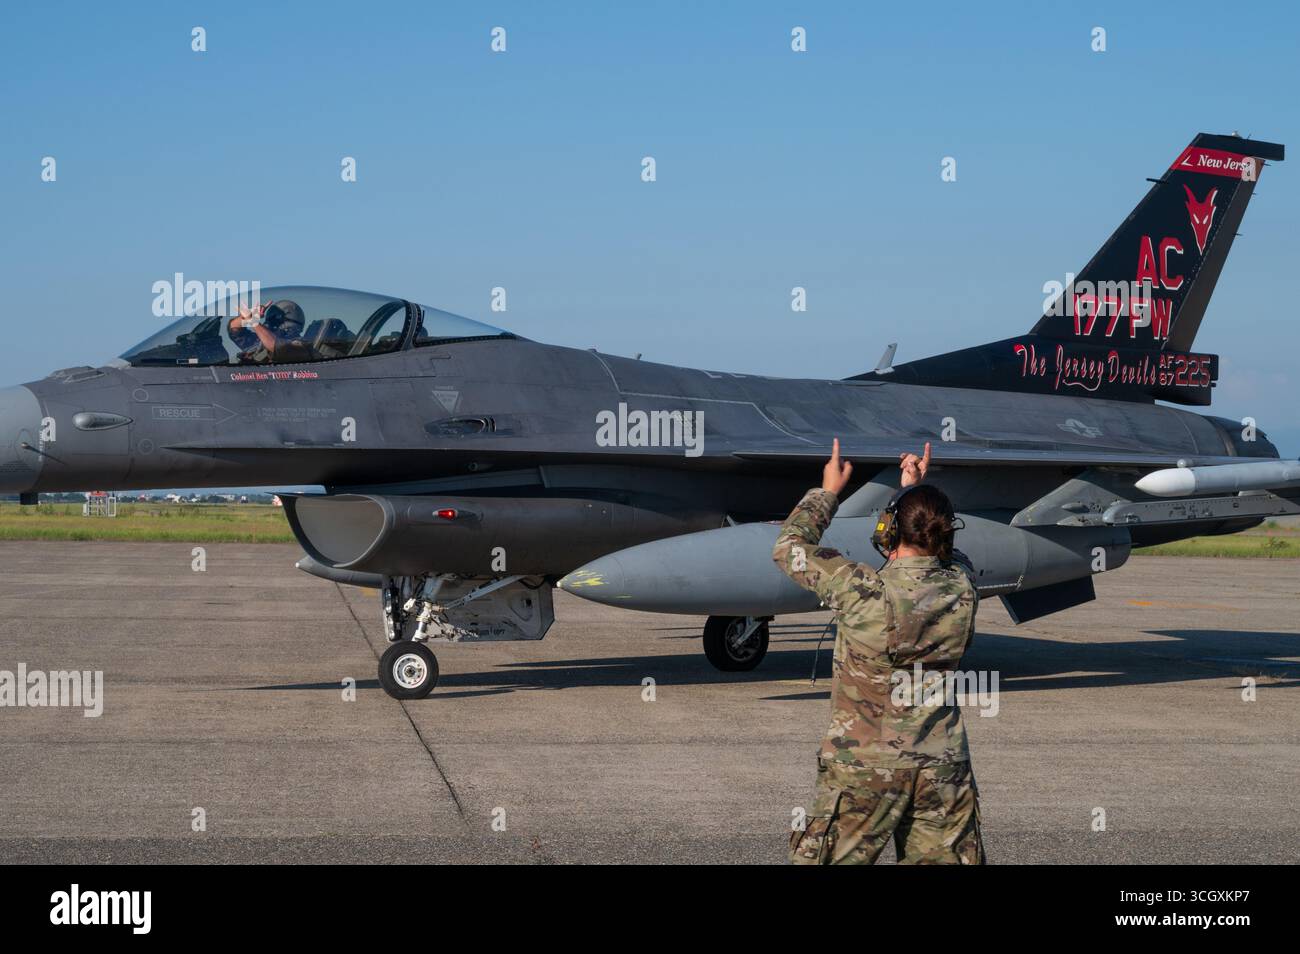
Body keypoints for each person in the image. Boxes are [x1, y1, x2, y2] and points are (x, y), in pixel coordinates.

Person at [774, 439, 985, 864]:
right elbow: (951, 560)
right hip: (942, 767)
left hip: (863, 768)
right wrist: (914, 493)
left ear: (889, 529)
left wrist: (828, 493)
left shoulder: (860, 588)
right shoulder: (962, 587)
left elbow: (790, 547)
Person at [227, 299, 309, 364]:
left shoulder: (302, 345)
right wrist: (249, 316)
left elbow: (276, 347)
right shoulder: (259, 341)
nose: (268, 324)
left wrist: (252, 321)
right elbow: (234, 330)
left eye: (273, 321)